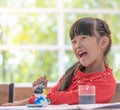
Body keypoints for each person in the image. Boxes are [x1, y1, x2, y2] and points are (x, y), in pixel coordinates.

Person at [3, 17, 116, 106]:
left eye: (83, 38)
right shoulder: (73, 72)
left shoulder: (106, 83)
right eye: (74, 41)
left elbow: (67, 98)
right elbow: (52, 96)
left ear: (103, 43)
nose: (77, 45)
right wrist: (40, 93)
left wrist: (25, 102)